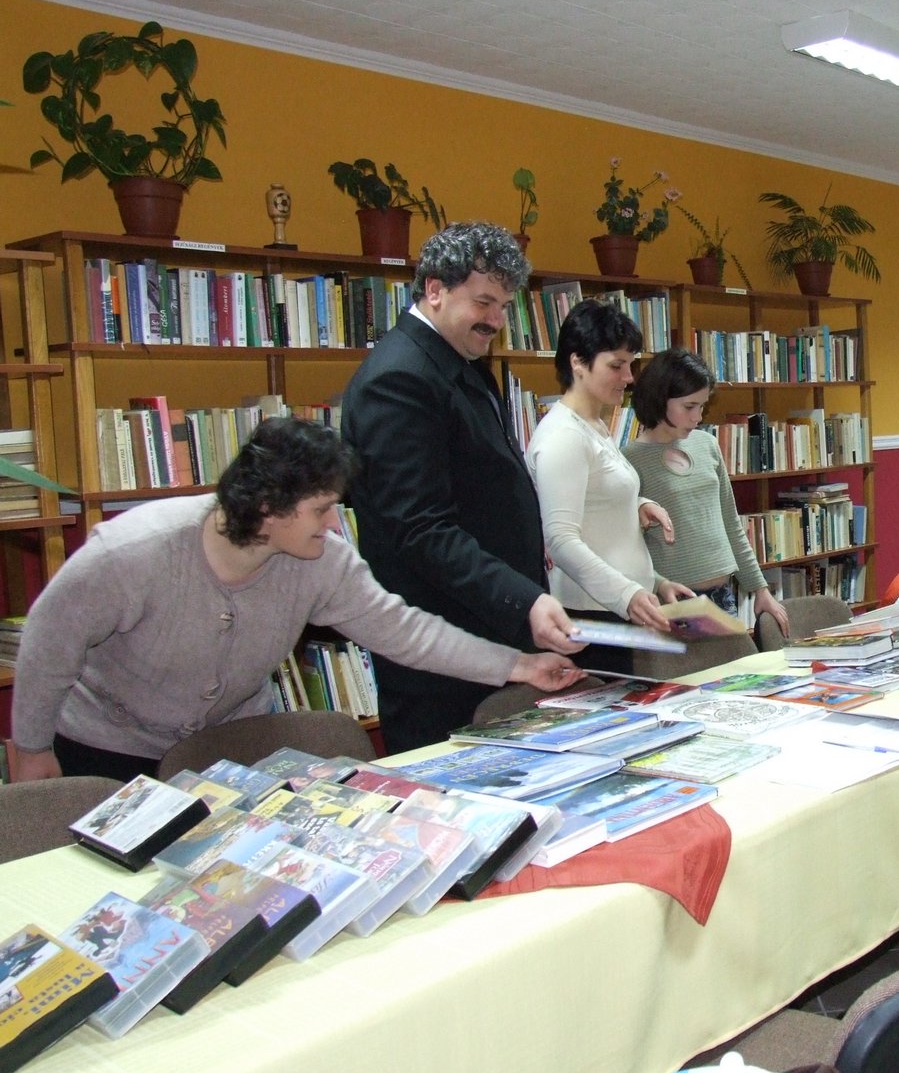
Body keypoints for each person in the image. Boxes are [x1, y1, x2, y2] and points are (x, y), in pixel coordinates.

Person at [9, 417, 582, 783]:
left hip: (229, 746)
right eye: (321, 508)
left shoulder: (321, 561)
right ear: (267, 507)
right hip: (104, 752)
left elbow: (405, 631)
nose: (334, 523)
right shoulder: (133, 552)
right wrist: (32, 748)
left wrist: (519, 665)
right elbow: (48, 642)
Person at [341, 222, 580, 754]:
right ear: (435, 290)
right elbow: (421, 530)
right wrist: (522, 600)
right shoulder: (398, 379)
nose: (496, 320)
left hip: (491, 635)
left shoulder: (457, 363)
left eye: (504, 307)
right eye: (483, 303)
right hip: (442, 656)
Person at [527, 300, 696, 672]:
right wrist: (628, 594)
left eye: (631, 364)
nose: (629, 377)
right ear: (578, 362)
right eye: (617, 365)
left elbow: (600, 513)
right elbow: (561, 539)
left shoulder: (596, 427)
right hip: (595, 616)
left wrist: (653, 581)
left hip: (618, 609)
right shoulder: (564, 436)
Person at [625, 348, 790, 637]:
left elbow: (730, 523)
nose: (698, 417)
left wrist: (760, 588)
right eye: (689, 407)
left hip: (723, 596)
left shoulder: (707, 445)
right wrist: (658, 583)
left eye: (702, 406)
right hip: (672, 602)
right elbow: (627, 547)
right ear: (659, 398)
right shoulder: (629, 459)